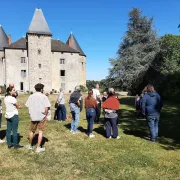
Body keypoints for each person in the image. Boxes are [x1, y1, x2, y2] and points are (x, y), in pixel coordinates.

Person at [25, 83, 51, 153]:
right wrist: (46, 115)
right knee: (40, 131)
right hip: (41, 116)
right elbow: (46, 108)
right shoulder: (44, 96)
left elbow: (28, 105)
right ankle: (38, 148)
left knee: (31, 131)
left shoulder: (31, 96)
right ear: (42, 89)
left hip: (33, 116)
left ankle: (30, 145)